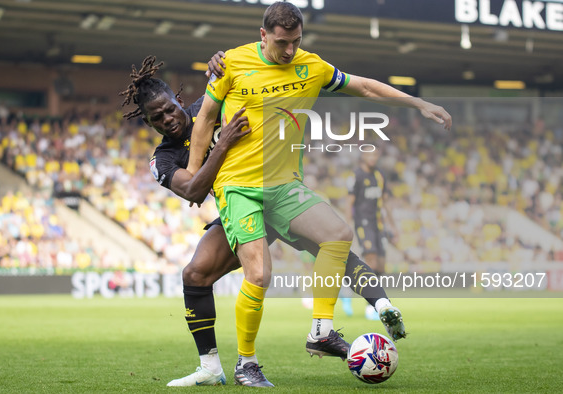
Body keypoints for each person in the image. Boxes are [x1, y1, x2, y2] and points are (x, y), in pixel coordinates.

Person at [186, 1, 451, 387]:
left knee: (338, 235)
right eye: (281, 42)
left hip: (285, 185)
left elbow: (362, 86)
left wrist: (417, 102)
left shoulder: (313, 66)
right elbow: (207, 118)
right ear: (264, 35)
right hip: (239, 187)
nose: (289, 50)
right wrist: (195, 175)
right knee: (259, 275)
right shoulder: (232, 63)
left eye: (295, 41)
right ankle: (246, 364)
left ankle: (321, 331)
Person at [120, 55, 404, 387]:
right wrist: (222, 144)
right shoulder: (163, 158)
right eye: (157, 118)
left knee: (330, 242)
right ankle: (211, 367)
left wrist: (220, 64)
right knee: (195, 274)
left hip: (273, 190)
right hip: (240, 208)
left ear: (178, 100)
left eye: (169, 109)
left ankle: (378, 303)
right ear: (149, 123)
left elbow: (249, 71)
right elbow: (195, 191)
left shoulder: (211, 104)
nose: (167, 119)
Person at [345, 148, 398, 319]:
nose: (373, 157)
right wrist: (348, 225)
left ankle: (347, 290)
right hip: (363, 223)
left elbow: (386, 202)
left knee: (381, 265)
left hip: (378, 224)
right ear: (363, 156)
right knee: (372, 261)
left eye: (376, 154)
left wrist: (393, 225)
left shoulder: (380, 175)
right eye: (369, 154)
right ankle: (371, 306)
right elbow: (349, 203)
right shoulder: (357, 176)